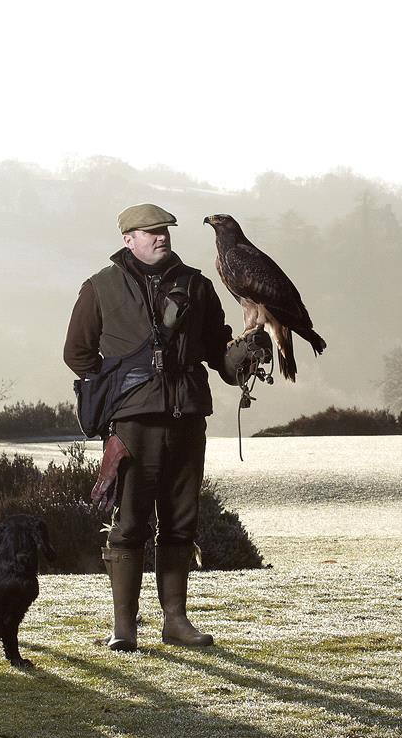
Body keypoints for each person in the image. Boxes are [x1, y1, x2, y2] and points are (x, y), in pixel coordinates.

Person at [63, 203, 266, 652]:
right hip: (132, 423)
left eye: (165, 231)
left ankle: (176, 621)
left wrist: (244, 355)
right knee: (130, 524)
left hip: (188, 418)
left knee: (181, 523)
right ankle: (124, 627)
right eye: (151, 231)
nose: (161, 237)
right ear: (127, 239)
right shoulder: (99, 287)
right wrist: (119, 386)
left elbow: (218, 352)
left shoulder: (197, 285)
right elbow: (77, 354)